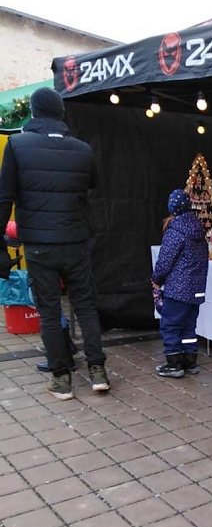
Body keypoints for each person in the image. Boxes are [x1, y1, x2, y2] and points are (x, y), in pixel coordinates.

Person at [0, 87, 109, 400]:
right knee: (86, 307)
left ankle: (62, 379)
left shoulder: (17, 145)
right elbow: (93, 183)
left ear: (34, 112)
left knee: (49, 312)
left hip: (38, 244)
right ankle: (98, 371)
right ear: (61, 113)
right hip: (75, 240)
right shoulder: (82, 149)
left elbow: (4, 196)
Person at [151, 189, 208, 378]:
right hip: (196, 290)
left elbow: (165, 260)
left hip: (178, 289)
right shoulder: (198, 229)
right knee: (189, 326)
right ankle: (190, 361)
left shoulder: (175, 231)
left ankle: (174, 363)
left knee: (170, 325)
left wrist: (156, 279)